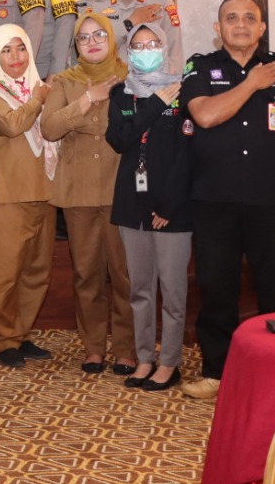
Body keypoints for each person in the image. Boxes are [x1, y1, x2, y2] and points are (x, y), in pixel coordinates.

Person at [177, 0, 275, 401]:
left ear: (262, 27)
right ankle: (216, 373)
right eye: (231, 18)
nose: (241, 24)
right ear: (217, 28)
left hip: (273, 202)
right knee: (216, 289)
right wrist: (252, 82)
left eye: (249, 18)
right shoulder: (201, 68)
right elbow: (205, 115)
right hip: (214, 202)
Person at [40, 12, 136, 377]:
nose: (92, 42)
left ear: (111, 39)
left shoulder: (130, 77)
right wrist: (88, 99)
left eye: (99, 35)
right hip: (78, 193)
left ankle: (126, 349)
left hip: (122, 190)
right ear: (76, 45)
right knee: (86, 275)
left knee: (124, 276)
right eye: (84, 37)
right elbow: (49, 128)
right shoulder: (65, 81)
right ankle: (93, 347)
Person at [106, 24, 191, 392]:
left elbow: (188, 156)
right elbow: (120, 139)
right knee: (139, 289)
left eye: (153, 43)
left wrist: (169, 205)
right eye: (138, 46)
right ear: (128, 51)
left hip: (173, 208)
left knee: (172, 292)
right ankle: (144, 358)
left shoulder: (183, 92)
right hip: (132, 204)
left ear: (165, 46)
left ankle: (169, 362)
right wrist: (155, 103)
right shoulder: (121, 93)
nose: (146, 50)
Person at [0, 24, 57, 368]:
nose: (15, 57)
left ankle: (21, 333)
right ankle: (3, 339)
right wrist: (38, 99)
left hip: (45, 190)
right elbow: (11, 125)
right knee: (4, 273)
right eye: (6, 50)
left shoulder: (40, 86)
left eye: (21, 48)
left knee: (36, 271)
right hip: (7, 194)